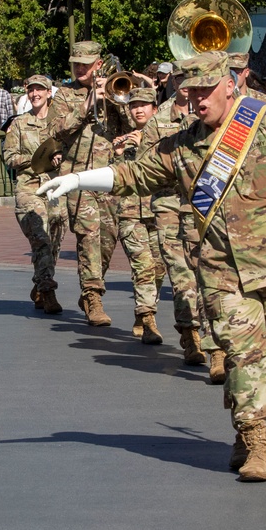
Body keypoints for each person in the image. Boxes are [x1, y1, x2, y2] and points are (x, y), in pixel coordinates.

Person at [37, 51, 266, 482]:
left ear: (230, 85)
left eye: (205, 91)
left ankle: (244, 423)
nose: (197, 100)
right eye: (189, 92)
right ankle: (257, 444)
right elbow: (134, 175)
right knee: (242, 352)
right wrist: (78, 179)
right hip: (221, 271)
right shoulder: (182, 145)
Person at [46, 40, 130, 326]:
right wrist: (86, 106)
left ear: (98, 64)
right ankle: (93, 296)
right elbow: (55, 131)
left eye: (85, 63)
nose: (80, 68)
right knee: (88, 235)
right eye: (76, 63)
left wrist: (116, 97)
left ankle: (93, 286)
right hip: (76, 177)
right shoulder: (64, 95)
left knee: (107, 239)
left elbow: (132, 125)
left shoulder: (114, 88)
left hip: (110, 176)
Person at [149, 62, 213, 372]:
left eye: (191, 79)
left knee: (208, 273)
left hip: (200, 203)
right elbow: (147, 162)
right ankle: (190, 337)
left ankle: (217, 347)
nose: (185, 84)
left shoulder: (209, 118)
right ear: (173, 82)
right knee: (180, 274)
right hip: (168, 204)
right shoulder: (159, 118)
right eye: (180, 79)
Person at [3, 74, 67, 314]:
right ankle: (48, 290)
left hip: (57, 187)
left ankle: (40, 282)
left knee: (56, 240)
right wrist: (37, 160)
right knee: (40, 238)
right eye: (31, 90)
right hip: (30, 187)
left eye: (40, 90)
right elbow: (9, 156)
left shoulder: (61, 123)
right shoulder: (19, 124)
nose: (35, 94)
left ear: (49, 93)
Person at [114, 87, 163, 344]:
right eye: (134, 105)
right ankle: (148, 317)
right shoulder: (123, 141)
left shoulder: (166, 139)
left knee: (159, 267)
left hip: (159, 211)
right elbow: (115, 177)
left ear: (155, 109)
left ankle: (143, 309)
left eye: (144, 105)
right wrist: (121, 153)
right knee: (143, 266)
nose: (139, 109)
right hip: (131, 213)